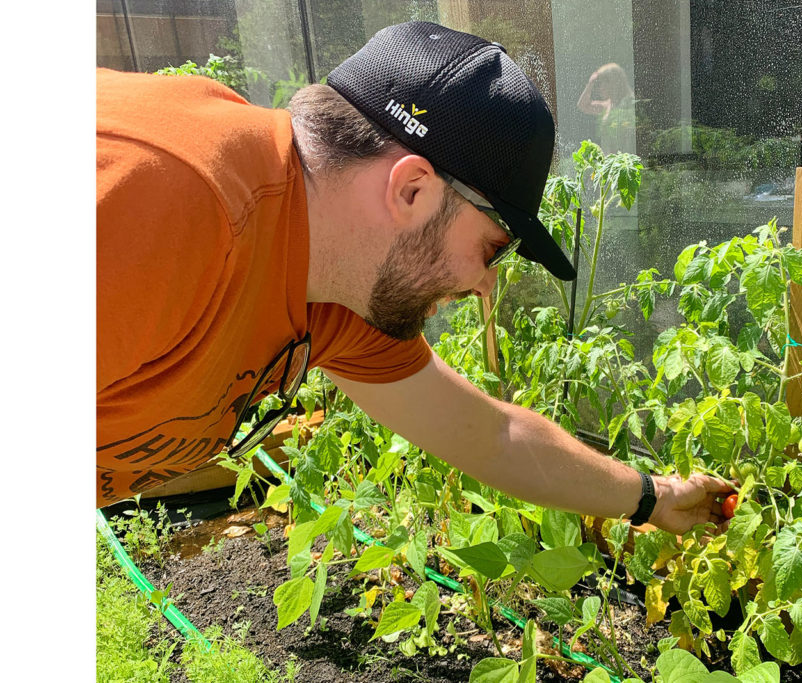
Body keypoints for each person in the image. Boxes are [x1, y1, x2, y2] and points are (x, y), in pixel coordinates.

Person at [97, 21, 731, 536]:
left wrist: (653, 498)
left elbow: (494, 435)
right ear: (412, 189)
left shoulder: (330, 288)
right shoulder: (165, 208)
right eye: (493, 248)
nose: (485, 286)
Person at [576, 63, 636, 154]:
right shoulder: (608, 105)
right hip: (611, 164)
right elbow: (582, 105)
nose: (599, 88)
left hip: (626, 163)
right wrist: (590, 83)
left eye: (601, 83)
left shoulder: (630, 103)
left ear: (613, 82)